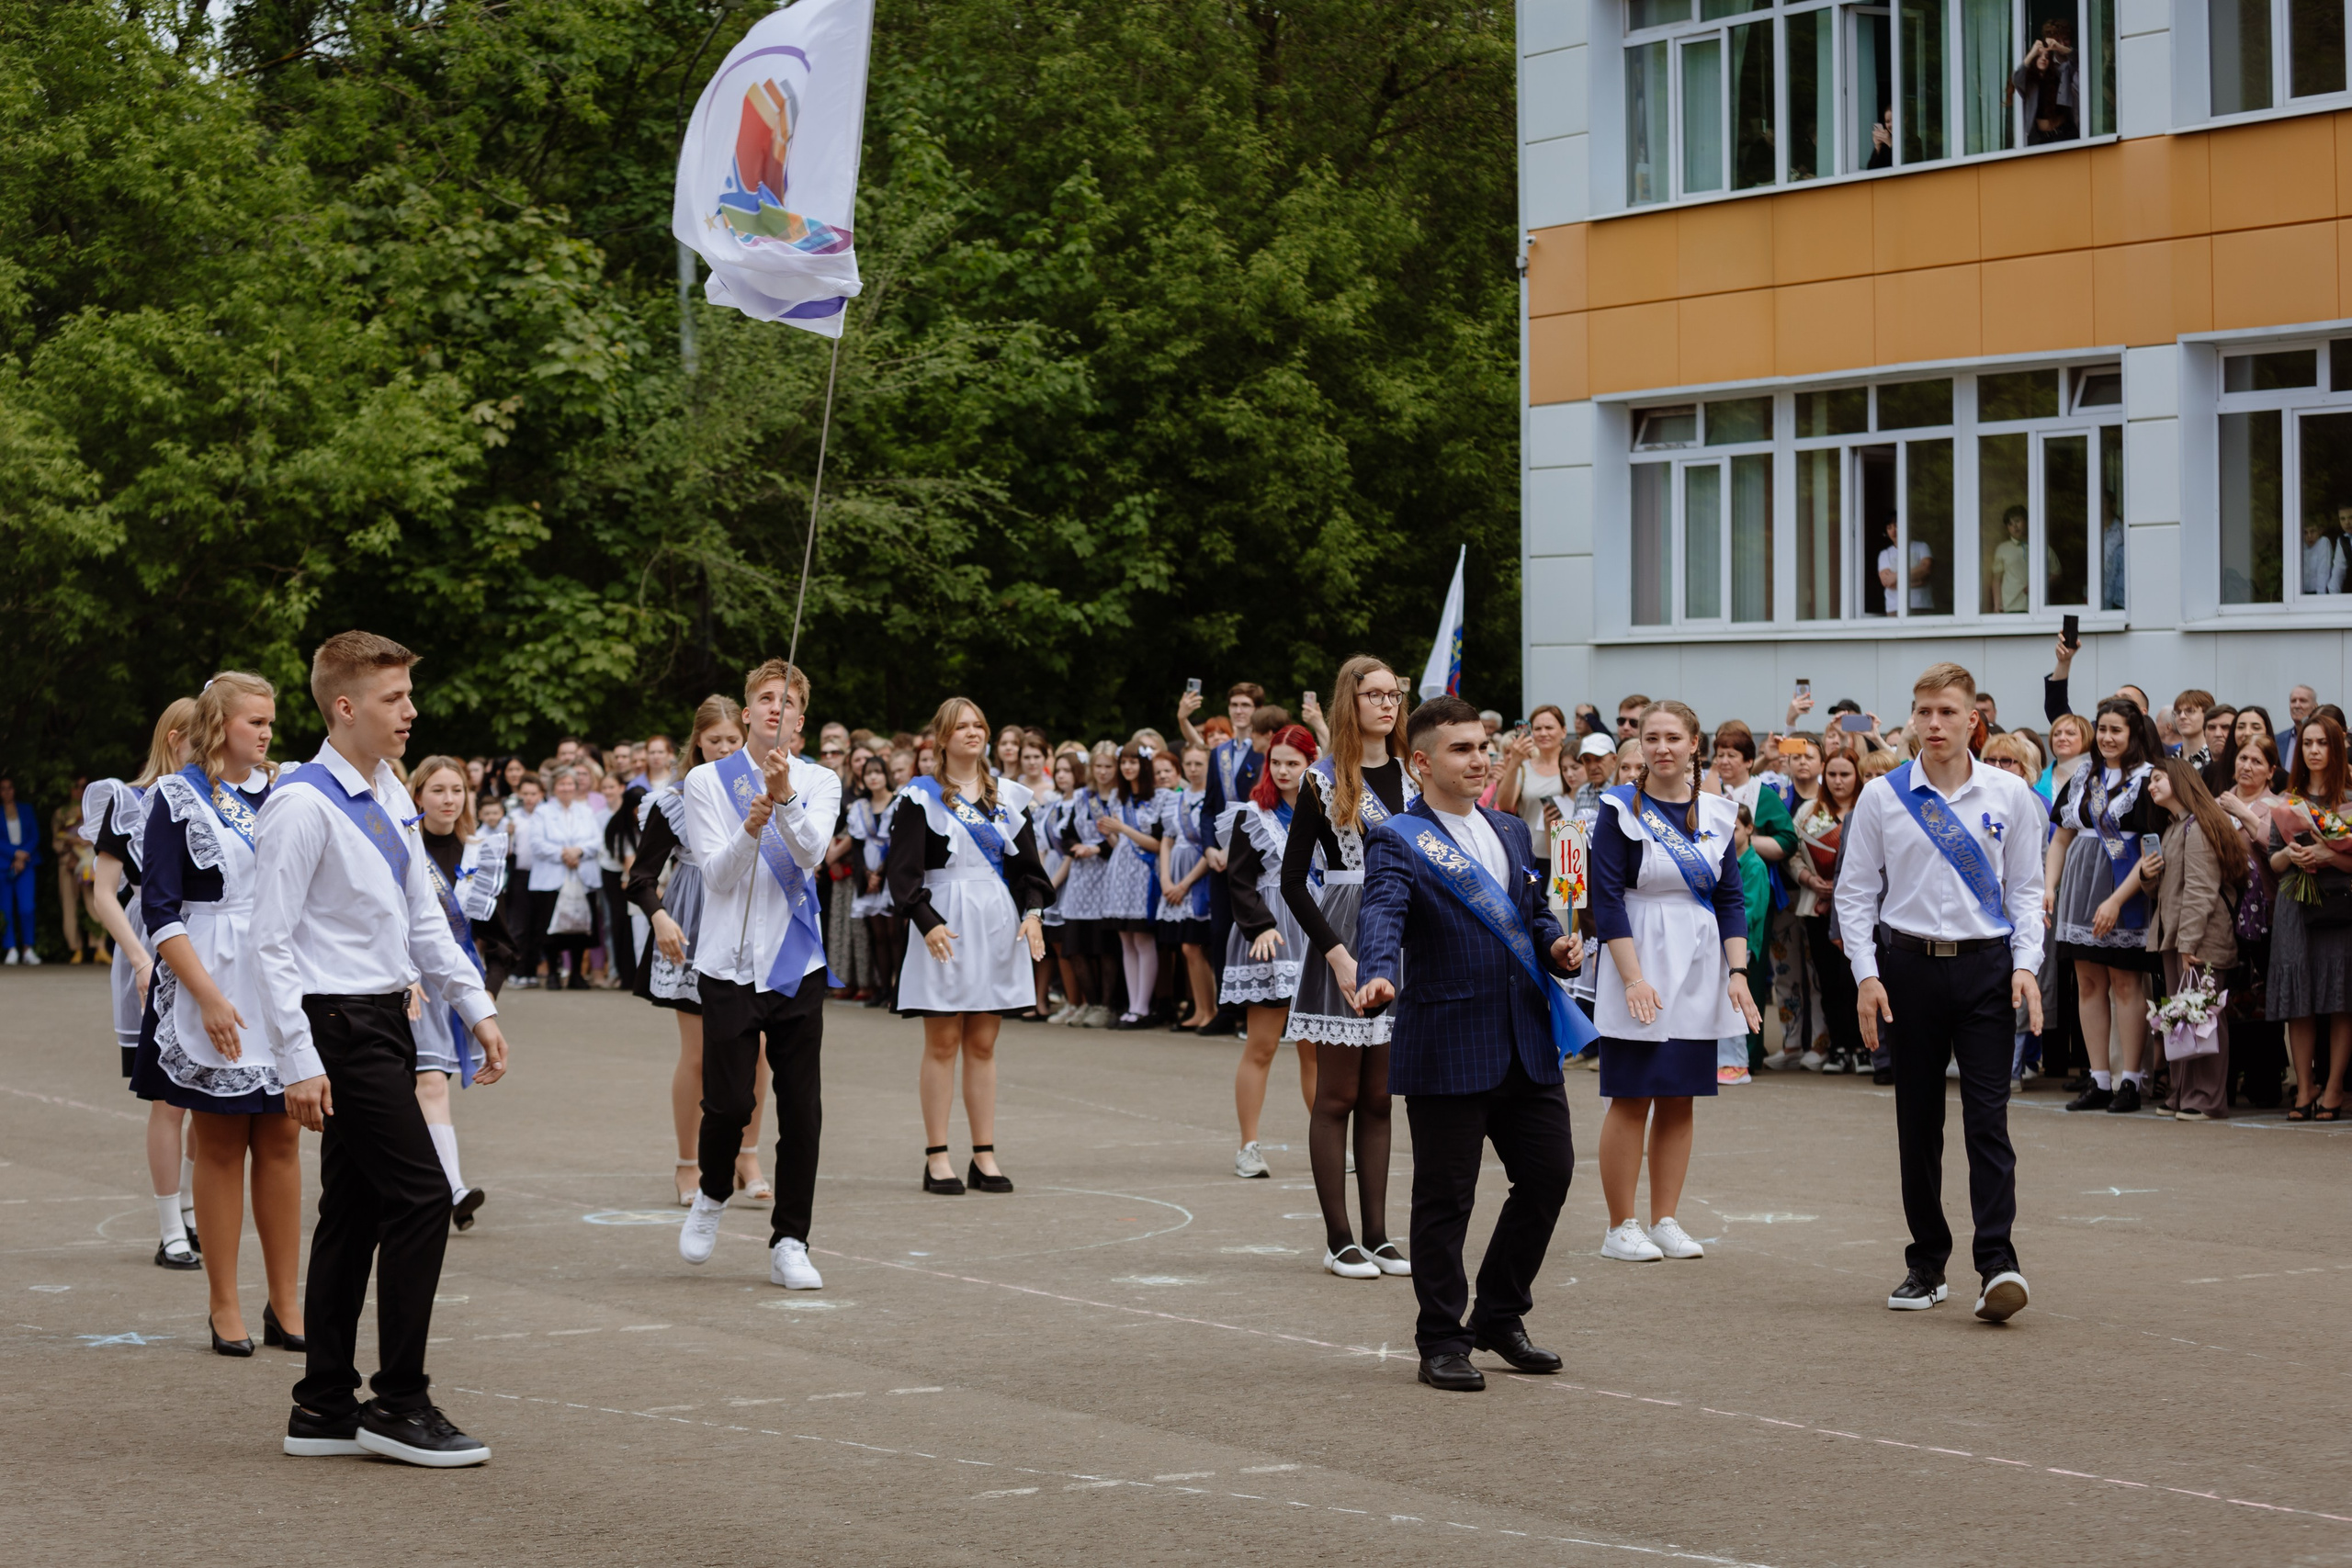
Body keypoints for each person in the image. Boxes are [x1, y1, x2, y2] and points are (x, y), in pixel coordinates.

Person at [252, 633, 508, 1466]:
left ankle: (323, 1404)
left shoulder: (388, 789)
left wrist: (474, 1005)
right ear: (345, 708)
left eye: (409, 695)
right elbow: (270, 942)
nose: (412, 712)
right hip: (337, 1026)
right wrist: (297, 1059)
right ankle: (398, 1399)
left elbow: (422, 915)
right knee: (423, 1197)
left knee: (355, 1211)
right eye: (395, 699)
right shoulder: (302, 802)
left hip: (387, 1020)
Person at [1351, 694, 1589, 1393]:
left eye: (1483, 744)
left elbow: (1534, 913)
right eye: (1461, 748)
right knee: (1445, 1199)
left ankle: (1499, 1313)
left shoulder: (1512, 831)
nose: (1480, 757)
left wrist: (1558, 947)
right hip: (1448, 1039)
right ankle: (1441, 1337)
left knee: (1549, 1174)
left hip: (1524, 1037)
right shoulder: (1398, 837)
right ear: (1421, 761)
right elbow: (1383, 912)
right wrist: (1377, 973)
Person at [1836, 663, 2045, 1323]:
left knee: (1989, 1119)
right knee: (1918, 1121)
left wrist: (2026, 963)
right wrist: (1867, 974)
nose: (1934, 724)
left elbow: (2028, 891)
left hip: (1987, 969)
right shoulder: (1883, 796)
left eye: (1948, 712)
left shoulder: (2008, 794)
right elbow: (1856, 892)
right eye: (1923, 711)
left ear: (1973, 718)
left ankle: (1997, 1263)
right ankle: (1926, 1263)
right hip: (1909, 971)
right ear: (1910, 718)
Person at [130, 672, 300, 1358]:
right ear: (217, 723)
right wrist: (206, 995)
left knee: (285, 1138)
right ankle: (223, 1303)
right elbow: (161, 910)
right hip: (210, 973)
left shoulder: (288, 791)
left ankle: (287, 1301)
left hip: (276, 972)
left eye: (270, 721)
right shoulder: (176, 795)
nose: (264, 733)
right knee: (224, 1141)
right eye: (252, 721)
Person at [674, 660, 840, 1292]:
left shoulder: (821, 780)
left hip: (797, 961)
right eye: (767, 698)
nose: (777, 708)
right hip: (728, 963)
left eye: (789, 701)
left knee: (802, 1108)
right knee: (730, 1102)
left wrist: (787, 797)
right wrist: (749, 825)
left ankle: (790, 1239)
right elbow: (715, 876)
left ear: (800, 718)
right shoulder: (706, 781)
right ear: (747, 712)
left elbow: (811, 854)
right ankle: (713, 1192)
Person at [1589, 701, 1758, 1263]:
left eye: (1673, 738)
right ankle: (1621, 1225)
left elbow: (1730, 898)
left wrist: (1738, 972)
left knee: (1681, 1097)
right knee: (1633, 1095)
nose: (1662, 747)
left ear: (1693, 745)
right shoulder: (1618, 808)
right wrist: (1631, 978)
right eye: (1651, 737)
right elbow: (1606, 897)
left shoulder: (1719, 811)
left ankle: (1665, 1219)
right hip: (1636, 950)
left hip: (1699, 957)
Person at [1278, 655, 1416, 1279]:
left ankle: (1380, 1235)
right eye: (1375, 694)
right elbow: (1291, 881)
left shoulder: (1417, 774)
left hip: (1404, 933)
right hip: (1344, 930)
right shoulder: (1321, 778)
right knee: (1336, 1095)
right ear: (1350, 701)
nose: (1387, 704)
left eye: (1394, 694)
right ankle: (1339, 1238)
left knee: (1381, 1096)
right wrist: (1335, 953)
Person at [888, 698, 1050, 1195]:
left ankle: (984, 1153)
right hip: (944, 925)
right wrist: (926, 920)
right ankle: (937, 1155)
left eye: (979, 724)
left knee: (983, 1044)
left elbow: (1029, 871)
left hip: (997, 923)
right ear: (941, 738)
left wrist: (1034, 914)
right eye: (961, 727)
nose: (973, 733)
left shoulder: (1007, 798)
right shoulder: (920, 798)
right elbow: (903, 873)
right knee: (943, 1043)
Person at [628, 698, 775, 1204]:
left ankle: (747, 1155)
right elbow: (641, 877)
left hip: (753, 925)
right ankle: (687, 1164)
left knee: (757, 1051)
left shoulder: (765, 791)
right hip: (693, 926)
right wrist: (659, 914)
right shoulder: (673, 800)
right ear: (698, 743)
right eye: (715, 741)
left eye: (733, 740)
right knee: (698, 1055)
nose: (725, 749)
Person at [87, 701, 201, 1266]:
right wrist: (138, 959)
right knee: (167, 1099)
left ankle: (189, 1210)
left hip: (208, 949)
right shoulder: (128, 800)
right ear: (177, 736)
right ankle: (170, 1228)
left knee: (210, 1097)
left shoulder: (220, 800)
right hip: (148, 949)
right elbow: (104, 892)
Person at [402, 755, 514, 1232]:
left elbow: (504, 944)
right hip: (403, 982)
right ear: (417, 796)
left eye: (456, 790)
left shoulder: (480, 856)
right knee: (422, 1086)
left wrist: (482, 1001)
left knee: (428, 1087)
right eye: (437, 790)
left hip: (454, 992)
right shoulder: (400, 849)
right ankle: (451, 1187)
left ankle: (444, 1186)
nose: (449, 800)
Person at [2048, 699, 2165, 1112]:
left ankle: (2129, 1080)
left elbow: (2152, 852)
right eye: (2102, 729)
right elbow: (2061, 836)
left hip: (2123, 886)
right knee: (2089, 983)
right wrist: (2049, 887)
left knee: (2125, 983)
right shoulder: (2084, 774)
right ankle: (2098, 1078)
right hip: (2080, 886)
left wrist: (2116, 900)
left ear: (2134, 734)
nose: (2108, 737)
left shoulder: (2149, 780)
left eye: (2117, 730)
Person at [1222, 723, 1321, 1178]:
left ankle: (1329, 1142)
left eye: (1293, 764)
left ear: (1311, 763)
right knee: (1261, 1045)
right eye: (1276, 762)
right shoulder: (1251, 814)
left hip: (1317, 931)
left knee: (1316, 1048)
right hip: (1272, 936)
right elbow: (1239, 881)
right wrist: (1260, 926)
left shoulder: (1328, 810)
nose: (1282, 771)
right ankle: (1249, 1146)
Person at [2123, 759, 2245, 1122]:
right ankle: (2182, 1093)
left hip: (2199, 938)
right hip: (2176, 938)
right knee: (2181, 1018)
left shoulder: (2198, 828)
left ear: (2179, 780)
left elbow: (2201, 891)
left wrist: (2189, 942)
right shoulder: (2175, 827)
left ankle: (2205, 1097)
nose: (2151, 786)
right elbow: (2164, 890)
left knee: (2203, 1016)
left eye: (2158, 779)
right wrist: (2147, 875)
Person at [2267, 715, 2352, 1120]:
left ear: (2336, 749)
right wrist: (2291, 855)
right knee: (2299, 1001)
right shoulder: (2288, 799)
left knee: (2340, 998)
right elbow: (2273, 859)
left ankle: (2334, 1089)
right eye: (2307, 744)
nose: (2314, 750)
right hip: (2294, 905)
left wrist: (2330, 855)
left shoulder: (2350, 797)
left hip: (2339, 907)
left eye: (2322, 743)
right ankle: (2304, 1088)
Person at [1787, 748, 1866, 1075]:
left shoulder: (1868, 807)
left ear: (1857, 776)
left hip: (1860, 911)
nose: (1837, 781)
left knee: (1859, 978)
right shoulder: (1809, 811)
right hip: (1819, 908)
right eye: (1831, 774)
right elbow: (1793, 856)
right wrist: (1810, 879)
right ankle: (1838, 1047)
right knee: (1828, 980)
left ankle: (1864, 1047)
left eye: (1845, 774)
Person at [1097, 739, 1170, 1027]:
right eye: (1124, 762)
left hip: (1143, 874)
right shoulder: (1118, 797)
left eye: (1133, 761)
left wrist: (1122, 828)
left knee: (1142, 938)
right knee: (1126, 939)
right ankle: (1132, 1004)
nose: (1127, 767)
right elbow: (1118, 843)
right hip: (1120, 872)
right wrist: (1108, 833)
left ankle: (1142, 1006)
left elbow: (1156, 844)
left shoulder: (1161, 797)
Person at [527, 765, 603, 989]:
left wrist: (578, 851)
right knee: (550, 928)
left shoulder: (585, 811)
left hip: (581, 875)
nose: (566, 788)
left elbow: (596, 840)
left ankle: (577, 975)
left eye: (570, 783)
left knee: (581, 928)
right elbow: (537, 843)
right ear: (554, 787)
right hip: (551, 877)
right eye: (562, 784)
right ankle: (552, 972)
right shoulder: (543, 811)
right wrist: (564, 853)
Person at [1159, 744, 1218, 1030]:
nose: (1193, 769)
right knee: (1188, 949)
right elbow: (1167, 840)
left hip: (1201, 877)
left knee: (1196, 946)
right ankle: (1200, 1008)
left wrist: (1184, 883)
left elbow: (1212, 845)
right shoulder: (1177, 799)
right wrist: (1166, 879)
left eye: (1199, 763)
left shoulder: (1213, 797)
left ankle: (1210, 1010)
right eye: (1189, 764)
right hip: (1177, 874)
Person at [1492, 705, 1569, 860]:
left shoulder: (1574, 767)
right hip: (1531, 855)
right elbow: (1505, 804)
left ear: (1564, 731)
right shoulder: (1524, 768)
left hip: (1567, 855)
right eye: (1537, 728)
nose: (1543, 733)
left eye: (1549, 727)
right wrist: (1515, 761)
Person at [0, 775, 39, 963]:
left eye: (9, 788)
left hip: (26, 864)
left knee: (27, 908)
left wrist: (23, 855)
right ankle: (11, 949)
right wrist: (15, 854)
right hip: (4, 865)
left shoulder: (26, 809)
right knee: (5, 909)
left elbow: (35, 835)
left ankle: (27, 949)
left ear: (14, 790)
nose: (7, 792)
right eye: (3, 788)